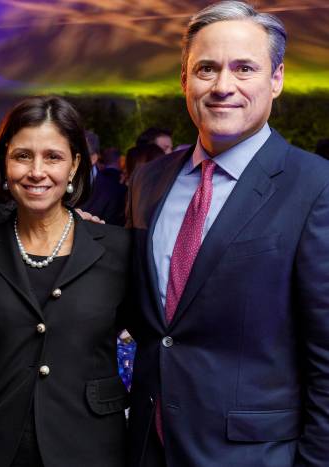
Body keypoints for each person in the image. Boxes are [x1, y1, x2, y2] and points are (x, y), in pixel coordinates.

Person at [126, 2, 329, 466]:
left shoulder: (316, 186)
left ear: (276, 79)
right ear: (184, 81)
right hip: (147, 446)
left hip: (256, 454)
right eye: (206, 68)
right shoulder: (149, 181)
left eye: (244, 68)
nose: (222, 86)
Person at [0, 96, 130, 467]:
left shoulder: (118, 250)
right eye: (23, 156)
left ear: (75, 165)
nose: (36, 171)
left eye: (53, 157)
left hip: (92, 448)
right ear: (5, 160)